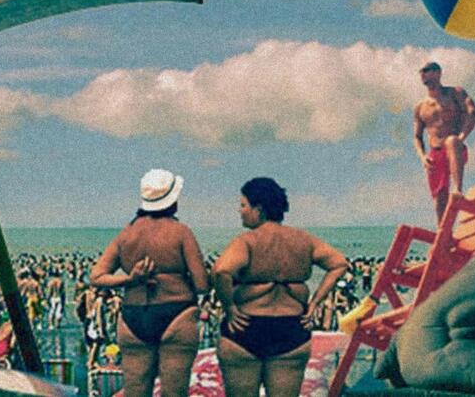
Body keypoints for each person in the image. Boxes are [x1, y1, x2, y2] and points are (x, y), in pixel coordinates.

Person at [214, 177, 347, 397]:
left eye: (243, 205)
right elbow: (339, 263)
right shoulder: (303, 239)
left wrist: (229, 308)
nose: (240, 211)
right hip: (291, 328)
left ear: (258, 209)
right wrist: (315, 302)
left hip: (246, 327)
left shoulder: (247, 241)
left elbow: (221, 271)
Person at [90, 169, 209, 397]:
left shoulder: (127, 234)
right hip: (177, 313)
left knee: (135, 392)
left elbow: (96, 277)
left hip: (133, 316)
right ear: (173, 199)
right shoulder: (181, 232)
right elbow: (202, 284)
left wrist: (130, 279)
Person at [413, 61, 475, 223]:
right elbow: (417, 136)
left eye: (427, 70)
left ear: (438, 73)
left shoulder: (454, 92)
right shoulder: (420, 107)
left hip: (455, 148)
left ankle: (457, 189)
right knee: (439, 199)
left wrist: (461, 138)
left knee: (451, 141)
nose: (423, 74)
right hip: (435, 152)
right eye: (421, 71)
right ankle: (443, 234)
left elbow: (473, 112)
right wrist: (422, 157)